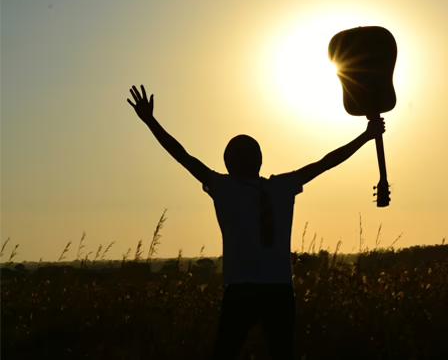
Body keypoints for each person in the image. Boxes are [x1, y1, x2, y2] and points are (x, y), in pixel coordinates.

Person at [126, 85, 385, 359]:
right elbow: (327, 162)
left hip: (241, 290)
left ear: (228, 163)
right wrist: (366, 136)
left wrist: (150, 121)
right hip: (279, 291)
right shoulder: (282, 187)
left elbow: (182, 156)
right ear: (259, 160)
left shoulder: (223, 188)